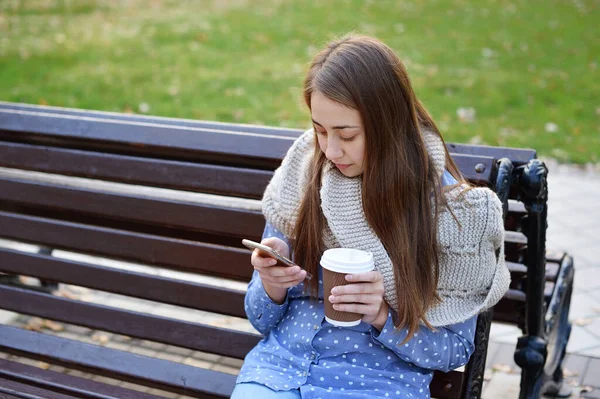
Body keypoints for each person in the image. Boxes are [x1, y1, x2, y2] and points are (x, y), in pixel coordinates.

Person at [231, 34, 510, 399]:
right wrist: (272, 285)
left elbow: (454, 351)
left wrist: (382, 315)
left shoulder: (453, 213)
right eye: (319, 131)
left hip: (376, 385)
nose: (330, 150)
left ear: (388, 125)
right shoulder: (301, 176)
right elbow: (260, 319)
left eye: (347, 135)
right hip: (277, 375)